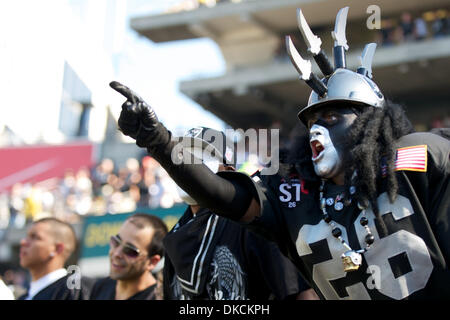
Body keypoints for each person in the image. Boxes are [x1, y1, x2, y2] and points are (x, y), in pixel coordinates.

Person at [109, 7, 449, 300]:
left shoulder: (416, 157)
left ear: (370, 121)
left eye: (331, 118)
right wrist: (160, 142)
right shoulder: (294, 192)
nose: (316, 128)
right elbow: (223, 195)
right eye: (312, 120)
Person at [163, 127, 317, 300]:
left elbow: (300, 295)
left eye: (201, 157)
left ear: (229, 170)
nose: (187, 166)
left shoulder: (254, 223)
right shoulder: (173, 238)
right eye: (183, 157)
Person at [89, 213, 167, 300]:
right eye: (116, 242)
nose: (117, 254)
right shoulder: (101, 287)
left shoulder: (158, 297)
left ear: (152, 262)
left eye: (130, 251)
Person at [18, 217, 93, 300]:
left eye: (35, 237)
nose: (23, 242)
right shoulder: (24, 297)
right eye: (27, 236)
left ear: (57, 249)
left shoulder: (75, 290)